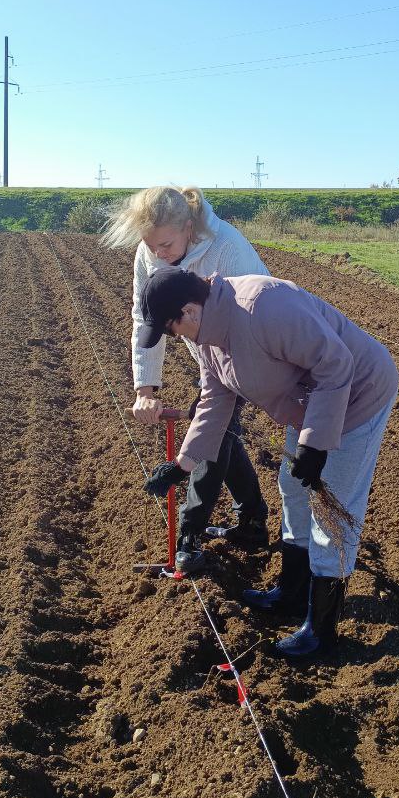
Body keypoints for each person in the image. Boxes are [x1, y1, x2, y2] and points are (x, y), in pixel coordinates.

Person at [139, 267, 398, 660]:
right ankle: (291, 593)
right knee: (293, 487)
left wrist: (314, 446)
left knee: (333, 507)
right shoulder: (209, 336)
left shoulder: (263, 306)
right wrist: (183, 464)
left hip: (358, 395)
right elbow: (215, 398)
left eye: (173, 329)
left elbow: (336, 365)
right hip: (310, 403)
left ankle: (322, 632)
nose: (175, 338)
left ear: (189, 311)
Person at [102, 186, 270, 573]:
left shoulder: (227, 247)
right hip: (205, 350)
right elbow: (146, 317)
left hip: (247, 347)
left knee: (210, 430)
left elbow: (250, 312)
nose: (157, 253)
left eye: (165, 244)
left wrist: (223, 385)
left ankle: (190, 537)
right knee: (218, 430)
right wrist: (146, 387)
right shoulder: (151, 251)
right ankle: (252, 521)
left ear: (189, 227)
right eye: (149, 245)